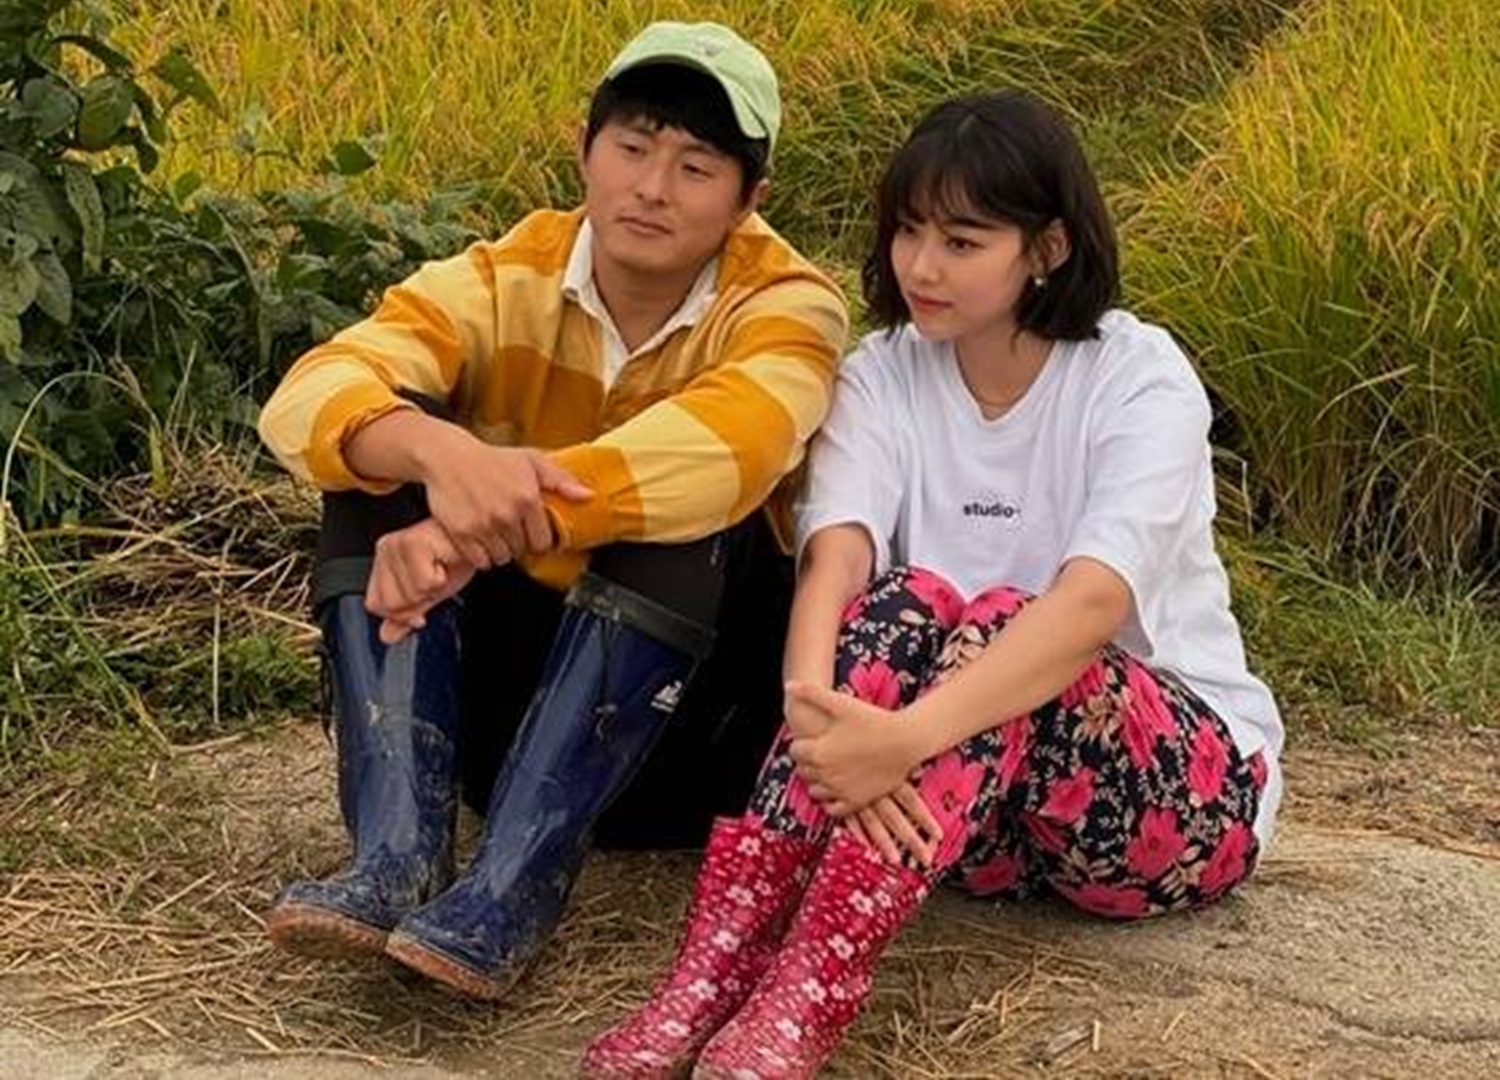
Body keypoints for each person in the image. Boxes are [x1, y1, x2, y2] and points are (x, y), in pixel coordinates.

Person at [581, 90, 1283, 1079]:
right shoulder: (882, 373)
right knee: (901, 600)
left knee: (1004, 616)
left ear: (1046, 249)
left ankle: (811, 990)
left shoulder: (1137, 377)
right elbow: (836, 560)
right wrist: (817, 720)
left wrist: (901, 739)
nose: (920, 266)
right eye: (908, 231)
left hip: (1164, 813)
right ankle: (711, 971)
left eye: (962, 241)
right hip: (959, 828)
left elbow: (1090, 607)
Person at [254, 21, 849, 1001]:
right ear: (584, 150)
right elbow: (311, 391)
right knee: (376, 456)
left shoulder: (788, 304)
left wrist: (474, 523)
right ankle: (395, 858)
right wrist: (442, 457)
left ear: (751, 200)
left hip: (687, 740)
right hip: (507, 724)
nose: (652, 188)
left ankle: (513, 889)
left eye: (697, 168)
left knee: (681, 507)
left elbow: (728, 448)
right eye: (632, 148)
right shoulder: (506, 274)